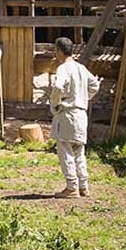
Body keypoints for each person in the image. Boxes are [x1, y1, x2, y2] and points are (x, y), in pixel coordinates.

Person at [50, 37, 100, 198]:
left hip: (67, 113)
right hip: (81, 114)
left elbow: (58, 87)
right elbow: (95, 85)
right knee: (78, 150)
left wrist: (56, 103)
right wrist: (84, 97)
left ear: (59, 50)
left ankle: (72, 187)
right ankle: (83, 186)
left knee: (65, 150)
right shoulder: (81, 68)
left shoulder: (64, 68)